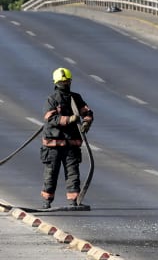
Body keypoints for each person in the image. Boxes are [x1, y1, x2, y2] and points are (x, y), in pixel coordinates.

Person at [40, 67, 93, 209]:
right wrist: (69, 119)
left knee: (73, 173)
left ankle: (74, 200)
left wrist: (87, 122)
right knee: (51, 173)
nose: (66, 83)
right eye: (63, 81)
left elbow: (87, 112)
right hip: (53, 145)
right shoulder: (52, 100)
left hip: (71, 145)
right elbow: (50, 119)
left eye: (67, 81)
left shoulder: (76, 98)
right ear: (56, 82)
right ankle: (47, 201)